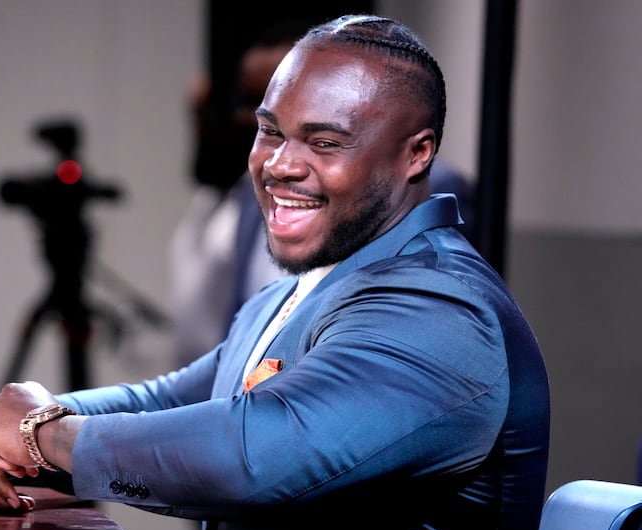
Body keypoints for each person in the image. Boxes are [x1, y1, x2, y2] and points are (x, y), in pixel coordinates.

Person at [0, 14, 550, 530]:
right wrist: (22, 427)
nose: (280, 165)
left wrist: (41, 433)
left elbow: (250, 457)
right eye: (270, 131)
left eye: (325, 142)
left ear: (416, 154)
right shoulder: (303, 289)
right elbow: (171, 400)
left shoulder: (437, 309)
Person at [171, 19, 476, 369]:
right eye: (256, 106)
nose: (246, 117)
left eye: (325, 141)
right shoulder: (252, 188)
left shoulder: (431, 199)